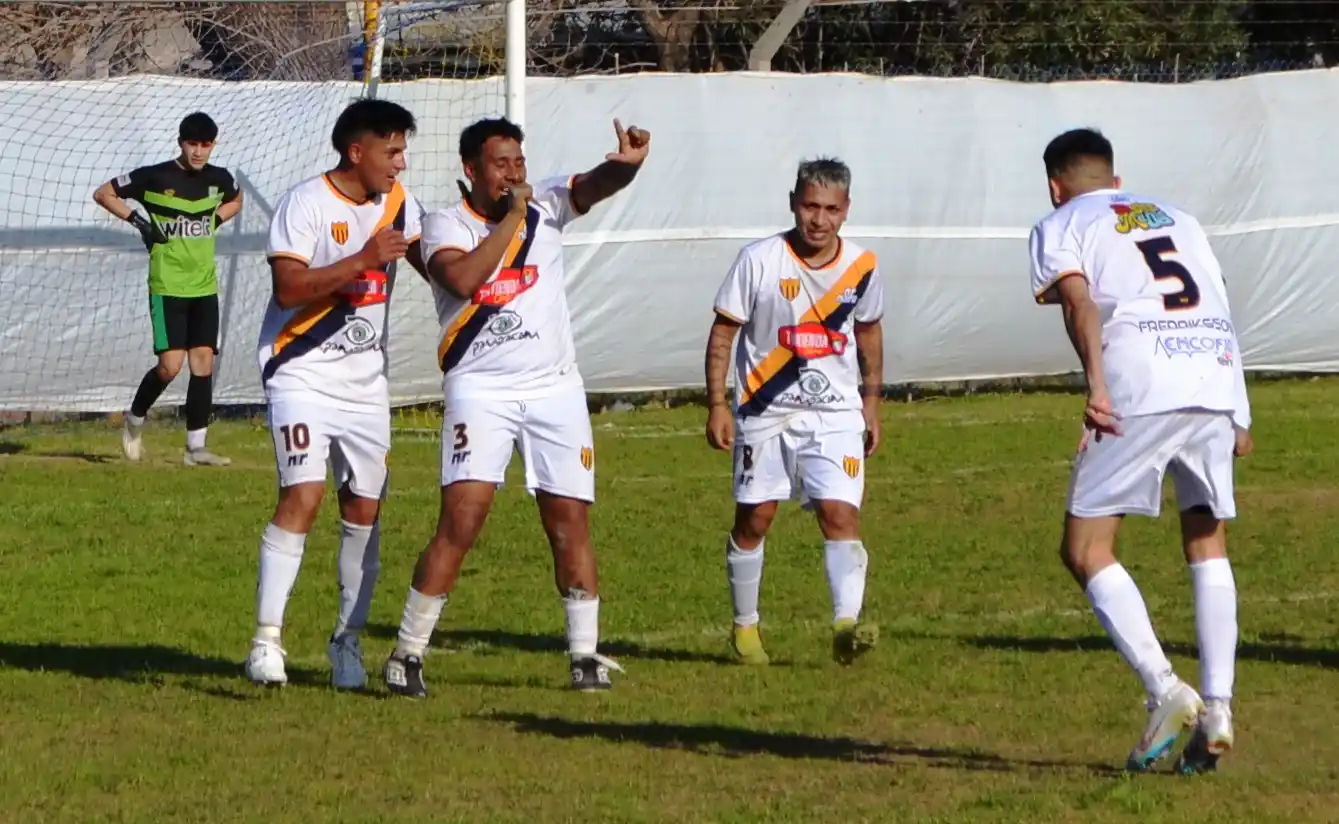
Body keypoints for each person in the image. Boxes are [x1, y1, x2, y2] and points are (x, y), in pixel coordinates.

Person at [381, 116, 650, 697]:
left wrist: (626, 166)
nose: (513, 173)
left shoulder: (549, 201)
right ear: (471, 169)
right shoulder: (443, 224)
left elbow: (594, 185)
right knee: (462, 520)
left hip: (555, 389)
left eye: (519, 162)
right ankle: (407, 652)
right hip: (481, 390)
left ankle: (584, 656)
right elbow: (465, 280)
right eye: (500, 163)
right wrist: (512, 219)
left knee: (569, 521)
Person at [1028, 128, 1253, 774]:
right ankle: (1218, 708)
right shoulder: (1180, 218)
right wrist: (1238, 406)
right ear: (1116, 180)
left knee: (1085, 548)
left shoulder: (1060, 223)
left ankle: (1165, 689)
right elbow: (1217, 300)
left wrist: (1096, 387)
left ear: (1055, 187)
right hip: (1212, 375)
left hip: (1142, 379)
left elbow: (1079, 305)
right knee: (1206, 540)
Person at [244, 98, 426, 690]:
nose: (400, 163)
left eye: (402, 151)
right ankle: (266, 640)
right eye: (391, 151)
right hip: (300, 370)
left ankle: (346, 643)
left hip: (366, 384)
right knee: (303, 493)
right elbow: (289, 288)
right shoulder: (305, 203)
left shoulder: (400, 205)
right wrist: (362, 260)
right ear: (356, 151)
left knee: (364, 511)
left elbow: (443, 268)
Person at [703, 157, 884, 668]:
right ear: (792, 203)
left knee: (839, 513)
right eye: (810, 206)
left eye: (831, 209)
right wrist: (717, 404)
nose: (819, 219)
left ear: (846, 210)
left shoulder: (863, 266)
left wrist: (872, 402)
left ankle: (846, 625)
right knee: (755, 519)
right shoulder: (758, 260)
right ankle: (745, 627)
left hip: (836, 414)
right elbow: (724, 333)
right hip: (765, 411)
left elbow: (869, 331)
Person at [92, 112, 241, 466]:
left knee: (202, 361)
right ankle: (134, 419)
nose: (198, 152)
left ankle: (195, 449)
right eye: (192, 144)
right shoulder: (155, 176)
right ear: (180, 143)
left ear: (213, 145)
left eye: (206, 145)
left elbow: (236, 199)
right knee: (170, 367)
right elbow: (104, 193)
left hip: (204, 285)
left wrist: (214, 219)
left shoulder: (219, 179)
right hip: (167, 285)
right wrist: (140, 222)